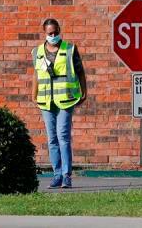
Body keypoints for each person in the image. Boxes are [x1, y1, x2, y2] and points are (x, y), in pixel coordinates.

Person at [31, 19, 87, 188]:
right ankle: (56, 175)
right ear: (44, 33)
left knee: (63, 137)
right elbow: (36, 74)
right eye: (50, 33)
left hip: (65, 99)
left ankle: (66, 176)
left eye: (55, 32)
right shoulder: (37, 52)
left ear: (59, 30)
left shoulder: (69, 49)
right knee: (52, 139)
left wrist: (84, 91)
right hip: (46, 101)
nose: (53, 36)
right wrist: (34, 95)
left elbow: (80, 72)